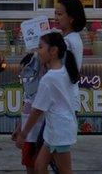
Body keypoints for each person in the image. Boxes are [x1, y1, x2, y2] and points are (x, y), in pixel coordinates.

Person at [16, 32, 80, 174]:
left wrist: (23, 134)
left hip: (59, 131)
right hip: (55, 130)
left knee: (65, 171)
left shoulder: (49, 78)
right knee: (39, 166)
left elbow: (36, 110)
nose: (37, 52)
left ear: (53, 51)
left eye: (40, 47)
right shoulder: (64, 72)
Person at [10, 50, 43, 173]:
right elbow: (25, 112)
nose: (23, 74)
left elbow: (35, 112)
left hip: (35, 137)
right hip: (28, 137)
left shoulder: (40, 90)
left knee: (37, 168)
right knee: (31, 167)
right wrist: (19, 128)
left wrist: (23, 133)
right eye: (22, 72)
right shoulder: (28, 93)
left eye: (26, 71)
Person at [54, 0, 86, 69]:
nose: (55, 18)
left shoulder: (68, 41)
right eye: (55, 14)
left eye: (59, 14)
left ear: (71, 18)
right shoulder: (72, 37)